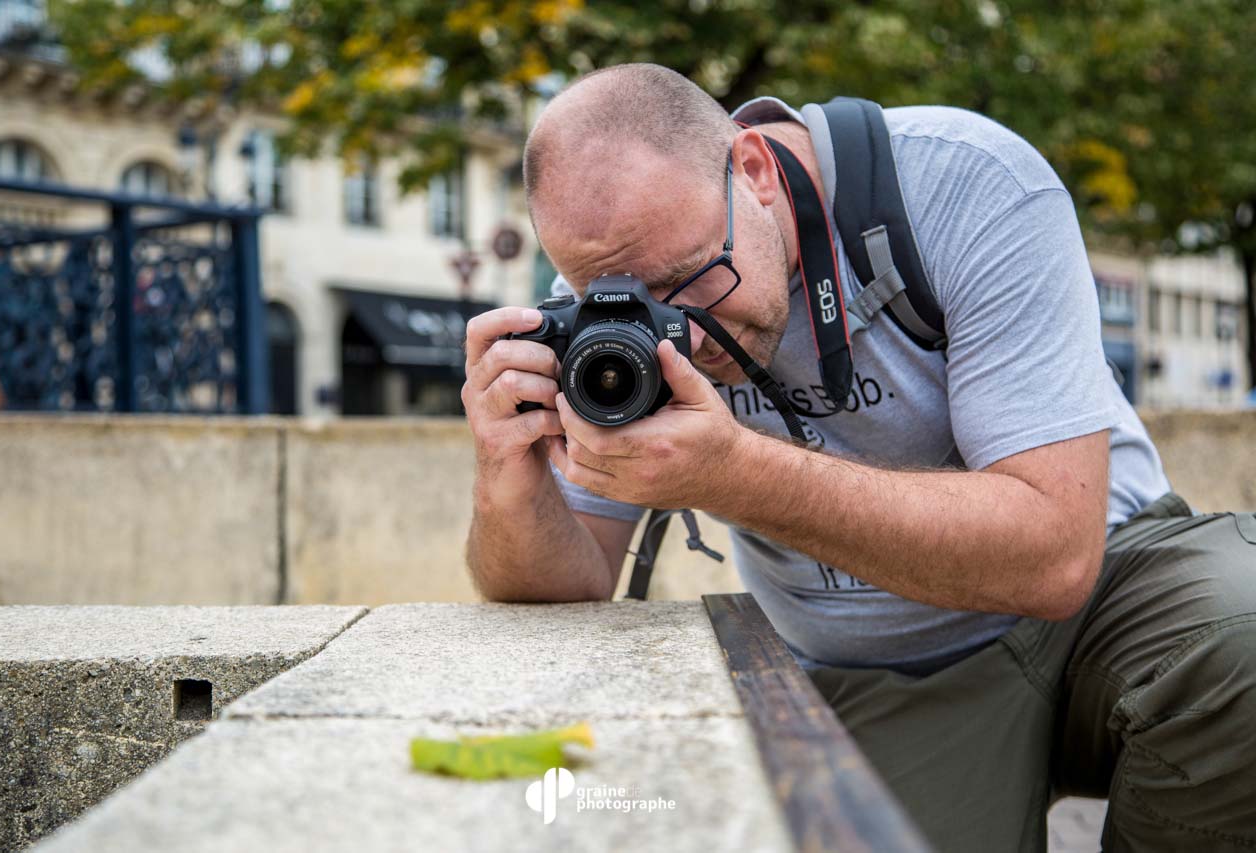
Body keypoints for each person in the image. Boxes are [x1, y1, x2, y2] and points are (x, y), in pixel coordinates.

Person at [462, 63, 1256, 851]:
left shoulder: (964, 184)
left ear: (754, 169)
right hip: (876, 671)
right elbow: (570, 579)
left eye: (693, 278)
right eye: (630, 302)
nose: (688, 337)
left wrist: (734, 474)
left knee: (1244, 633)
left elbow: (1055, 555)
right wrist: (509, 480)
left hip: (1107, 600)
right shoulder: (623, 320)